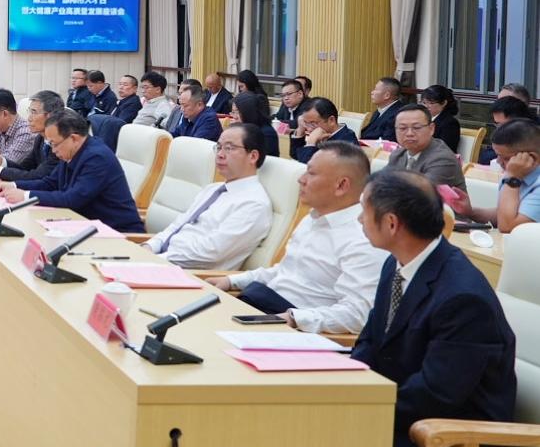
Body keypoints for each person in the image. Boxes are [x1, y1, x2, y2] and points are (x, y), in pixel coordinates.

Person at [350, 170, 527, 447]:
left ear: (391, 223)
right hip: (408, 419)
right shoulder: (398, 262)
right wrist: (342, 390)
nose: (360, 219)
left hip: (456, 444)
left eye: (364, 210)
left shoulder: (463, 298)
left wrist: (360, 412)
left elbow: (436, 394)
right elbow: (372, 341)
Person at [206, 141, 386, 334]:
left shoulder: (364, 237)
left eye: (311, 173)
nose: (301, 179)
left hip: (295, 330)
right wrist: (231, 281)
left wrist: (294, 319)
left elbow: (358, 315)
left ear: (341, 185)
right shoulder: (313, 218)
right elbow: (284, 272)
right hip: (262, 309)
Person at [0, 110, 145, 233]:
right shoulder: (72, 152)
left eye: (54, 144)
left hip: (117, 232)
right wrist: (14, 185)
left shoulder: (97, 158)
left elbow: (71, 199)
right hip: (86, 225)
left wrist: (25, 196)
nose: (53, 150)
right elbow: (50, 183)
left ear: (74, 138)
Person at [146, 123, 272, 269]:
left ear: (253, 156)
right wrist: (149, 246)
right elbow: (177, 226)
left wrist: (157, 260)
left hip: (188, 274)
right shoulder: (212, 189)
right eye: (218, 147)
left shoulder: (253, 204)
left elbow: (211, 252)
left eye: (229, 148)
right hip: (161, 261)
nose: (220, 154)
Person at [447, 118, 540, 233]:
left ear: (532, 157)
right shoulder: (514, 174)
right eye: (498, 155)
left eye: (506, 158)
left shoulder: (514, 176)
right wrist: (469, 212)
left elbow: (507, 227)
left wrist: (512, 179)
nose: (498, 161)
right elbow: (501, 215)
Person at [0, 90, 62, 183]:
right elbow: (24, 168)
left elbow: (37, 176)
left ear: (50, 116)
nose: (29, 118)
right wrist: (0, 161)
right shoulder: (40, 139)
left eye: (34, 112)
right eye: (29, 112)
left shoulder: (59, 143)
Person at [385, 104, 466, 195]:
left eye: (416, 127)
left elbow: (418, 194)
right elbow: (381, 184)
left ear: (431, 129)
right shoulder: (398, 155)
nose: (409, 133)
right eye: (403, 128)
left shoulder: (443, 159)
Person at [292, 97, 358, 165]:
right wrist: (300, 130)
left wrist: (310, 143)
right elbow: (295, 156)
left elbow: (308, 167)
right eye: (306, 123)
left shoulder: (346, 142)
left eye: (313, 123)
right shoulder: (322, 134)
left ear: (331, 120)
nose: (309, 129)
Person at [480, 95, 535, 164]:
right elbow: (485, 157)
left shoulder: (532, 140)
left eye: (501, 124)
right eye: (496, 124)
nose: (498, 129)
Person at [232, 91, 279, 157]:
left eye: (237, 112)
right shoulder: (244, 128)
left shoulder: (267, 134)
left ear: (248, 112)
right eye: (233, 112)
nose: (234, 117)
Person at [359, 76, 406, 141]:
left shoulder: (398, 114)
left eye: (376, 89)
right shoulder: (379, 111)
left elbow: (386, 141)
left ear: (387, 95)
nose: (372, 92)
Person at [418, 85, 462, 153]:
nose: (426, 106)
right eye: (424, 103)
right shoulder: (423, 119)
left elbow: (446, 148)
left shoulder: (450, 123)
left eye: (431, 103)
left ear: (444, 103)